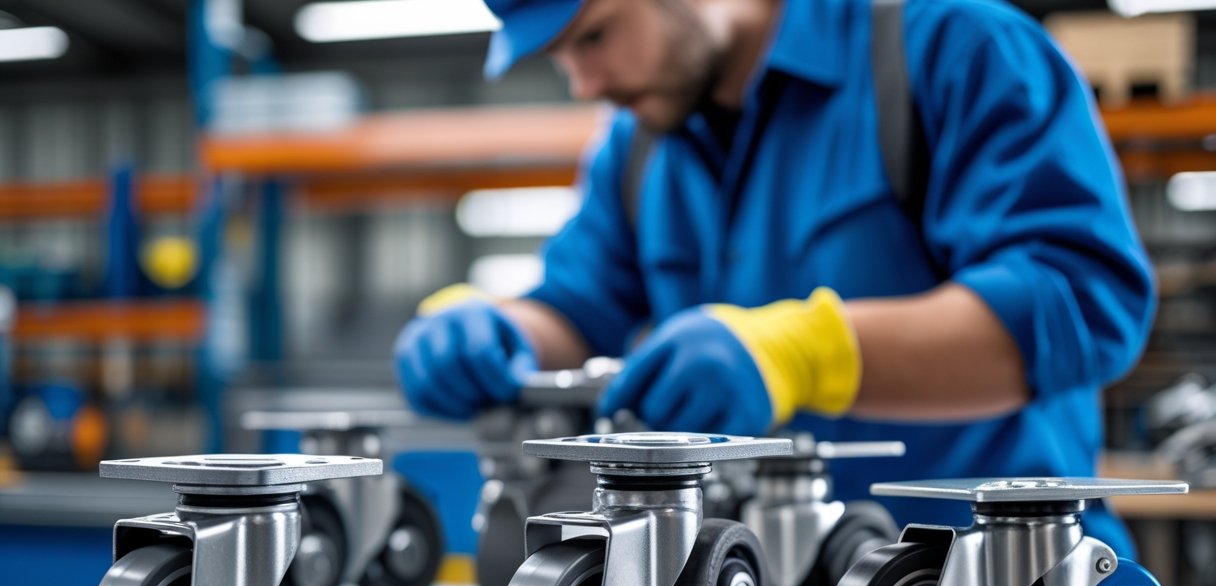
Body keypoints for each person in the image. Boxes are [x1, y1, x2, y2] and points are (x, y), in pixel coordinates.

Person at [394, 0, 1154, 549]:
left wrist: (801, 353)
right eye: (559, 54)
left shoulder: (955, 50)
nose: (585, 82)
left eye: (593, 34)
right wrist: (490, 330)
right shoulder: (639, 145)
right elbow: (576, 308)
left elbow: (1081, 304)